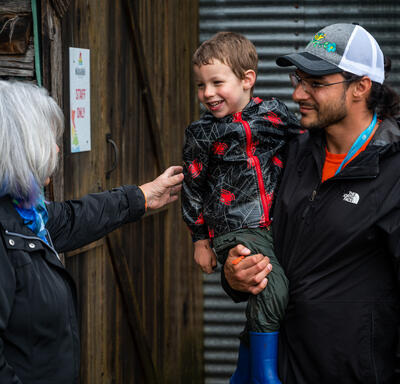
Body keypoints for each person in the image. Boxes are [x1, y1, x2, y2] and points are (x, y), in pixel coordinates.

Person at [222, 23, 400, 383]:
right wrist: (235, 276)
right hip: (272, 361)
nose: (299, 93)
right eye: (298, 80)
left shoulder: (394, 169)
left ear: (361, 87)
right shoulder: (290, 150)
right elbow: (261, 240)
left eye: (316, 84)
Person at [0, 80, 184, 383]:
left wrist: (143, 196)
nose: (58, 148)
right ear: (23, 146)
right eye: (48, 138)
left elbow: (75, 218)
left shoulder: (27, 215)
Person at [181, 32, 300, 383]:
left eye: (217, 82)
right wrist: (199, 240)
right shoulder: (201, 132)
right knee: (271, 286)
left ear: (247, 79)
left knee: (275, 294)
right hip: (234, 225)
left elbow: (305, 145)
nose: (207, 94)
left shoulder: (274, 114)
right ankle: (264, 374)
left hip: (273, 223)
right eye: (201, 86)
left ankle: (243, 372)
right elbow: (192, 184)